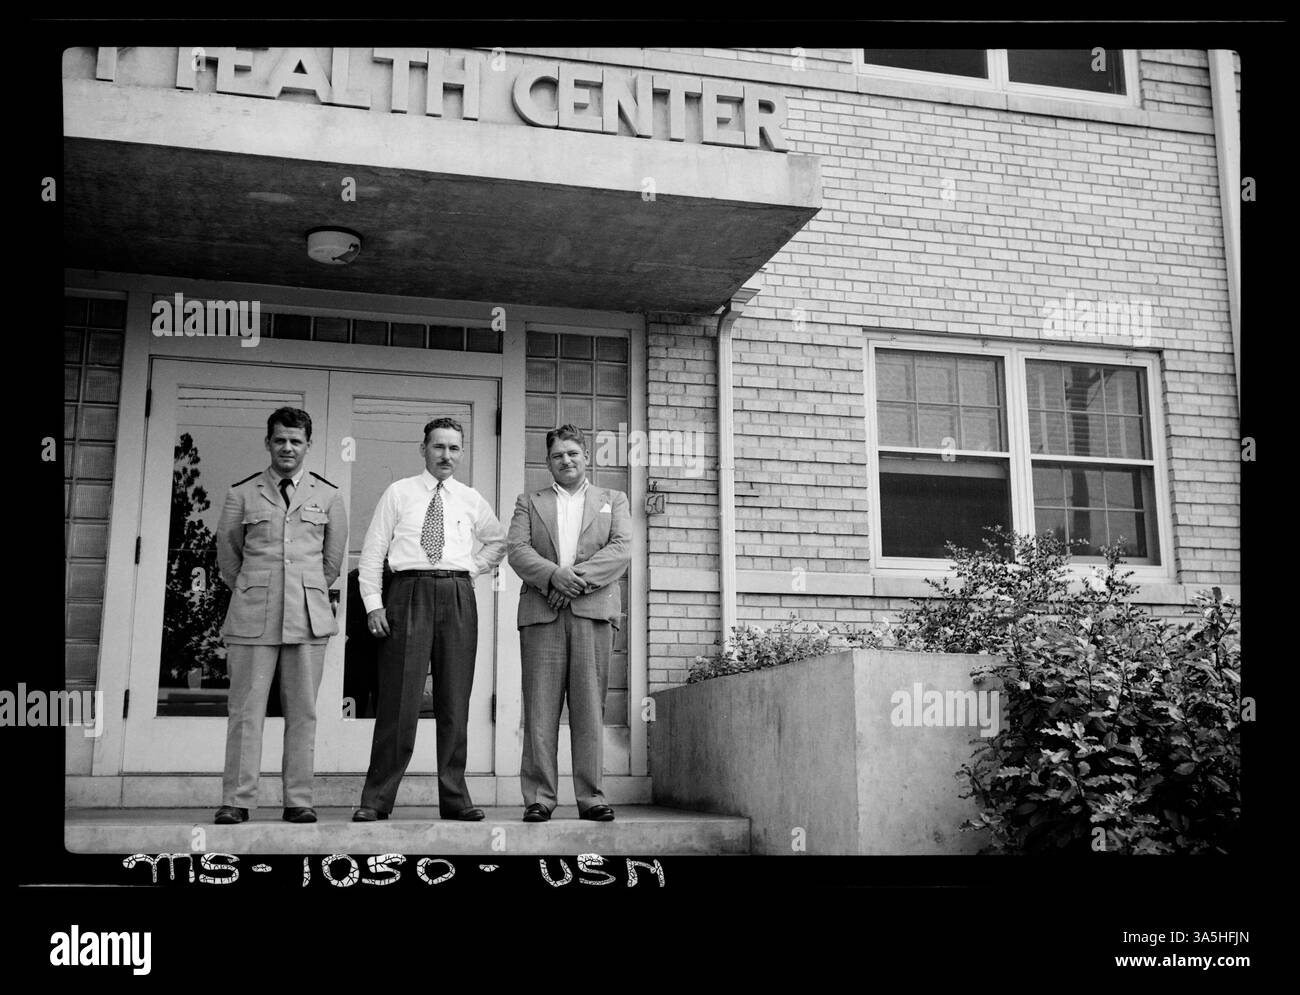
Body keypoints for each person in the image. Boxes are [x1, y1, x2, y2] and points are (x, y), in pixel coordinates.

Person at [353, 417, 506, 821]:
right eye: (439, 447)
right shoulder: (398, 492)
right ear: (424, 449)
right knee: (398, 703)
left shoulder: (470, 498)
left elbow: (498, 540)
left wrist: (471, 569)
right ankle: (376, 800)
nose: (446, 455)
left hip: (456, 596)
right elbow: (373, 551)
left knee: (454, 701)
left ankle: (455, 799)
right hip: (407, 593)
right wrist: (373, 603)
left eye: (454, 448)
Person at [213, 407, 347, 825]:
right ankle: (237, 800)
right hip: (254, 616)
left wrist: (303, 591)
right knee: (245, 712)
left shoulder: (328, 495)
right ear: (267, 442)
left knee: (303, 711)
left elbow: (331, 564)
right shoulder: (242, 493)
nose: (287, 447)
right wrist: (256, 588)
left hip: (307, 618)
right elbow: (228, 559)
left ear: (308, 445)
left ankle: (299, 800)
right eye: (280, 440)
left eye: (296, 441)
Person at [507, 424, 631, 822]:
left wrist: (572, 581)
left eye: (573, 453)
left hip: (592, 615)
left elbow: (621, 549)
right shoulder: (529, 501)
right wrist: (552, 577)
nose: (566, 460)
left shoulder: (614, 499)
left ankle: (591, 796)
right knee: (540, 709)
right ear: (548, 462)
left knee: (588, 708)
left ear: (586, 457)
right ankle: (539, 797)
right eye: (558, 455)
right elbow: (517, 550)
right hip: (542, 616)